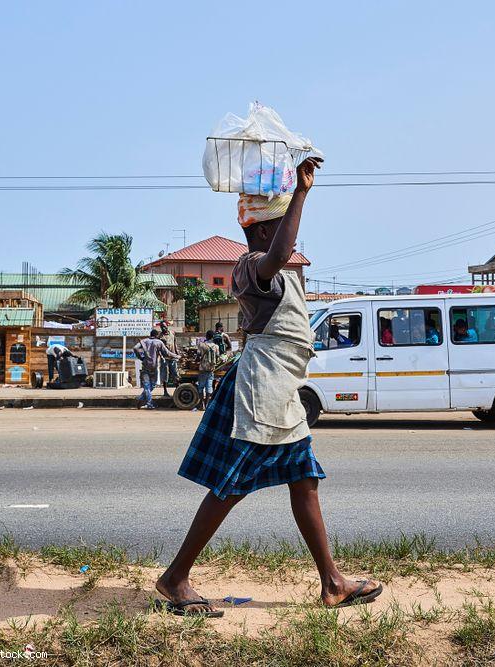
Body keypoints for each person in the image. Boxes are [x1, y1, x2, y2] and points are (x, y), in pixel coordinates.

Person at [157, 157, 381, 618]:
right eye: (283, 227)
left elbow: (285, 258)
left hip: (282, 392)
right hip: (262, 391)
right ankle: (176, 577)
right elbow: (279, 252)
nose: (291, 237)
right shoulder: (251, 266)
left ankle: (332, 581)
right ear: (262, 232)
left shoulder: (280, 272)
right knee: (231, 485)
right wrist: (300, 194)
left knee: (305, 481)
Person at [134, 329, 180, 409]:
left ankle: (141, 398)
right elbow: (167, 353)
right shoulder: (158, 342)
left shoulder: (144, 341)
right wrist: (177, 356)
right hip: (154, 366)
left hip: (145, 365)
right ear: (156, 335)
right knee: (153, 384)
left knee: (147, 385)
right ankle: (149, 402)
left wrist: (140, 357)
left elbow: (135, 348)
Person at [196, 330, 220, 410]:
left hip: (202, 369)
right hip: (211, 369)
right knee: (209, 387)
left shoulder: (201, 345)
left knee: (201, 387)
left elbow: (198, 355)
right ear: (213, 337)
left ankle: (201, 404)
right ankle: (206, 404)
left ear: (206, 336)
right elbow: (218, 357)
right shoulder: (216, 347)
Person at [158, 321, 179, 398]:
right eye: (162, 327)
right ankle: (165, 391)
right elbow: (159, 349)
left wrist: (177, 354)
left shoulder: (172, 333)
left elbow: (175, 344)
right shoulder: (160, 336)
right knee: (164, 375)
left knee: (175, 374)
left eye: (164, 326)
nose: (164, 328)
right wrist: (161, 357)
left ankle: (178, 389)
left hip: (173, 357)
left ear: (167, 326)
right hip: (165, 358)